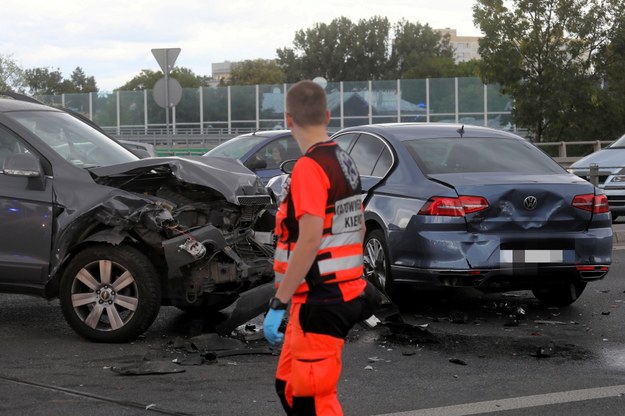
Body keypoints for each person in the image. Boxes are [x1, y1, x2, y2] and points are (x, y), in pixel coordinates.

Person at [263, 80, 373, 416]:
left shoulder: (309, 168)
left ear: (287, 119)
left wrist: (279, 301)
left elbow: (309, 239)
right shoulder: (344, 160)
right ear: (327, 115)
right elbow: (360, 225)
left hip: (321, 299)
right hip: (332, 293)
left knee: (312, 399)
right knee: (288, 386)